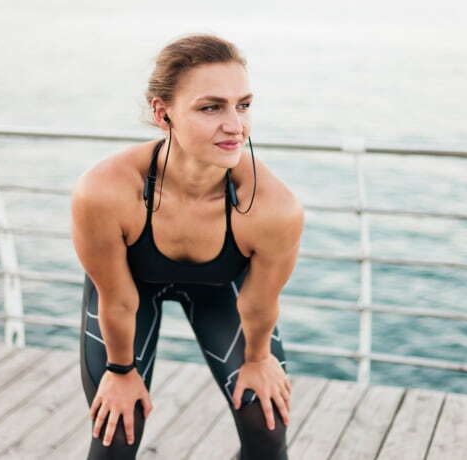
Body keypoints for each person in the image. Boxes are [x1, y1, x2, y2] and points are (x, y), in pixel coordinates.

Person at [71, 33, 304, 460]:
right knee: (117, 436)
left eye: (244, 104)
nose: (236, 125)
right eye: (211, 107)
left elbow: (258, 303)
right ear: (163, 113)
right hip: (129, 294)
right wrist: (121, 371)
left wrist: (257, 361)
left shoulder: (274, 208)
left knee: (267, 429)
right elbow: (118, 300)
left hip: (222, 295)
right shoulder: (104, 192)